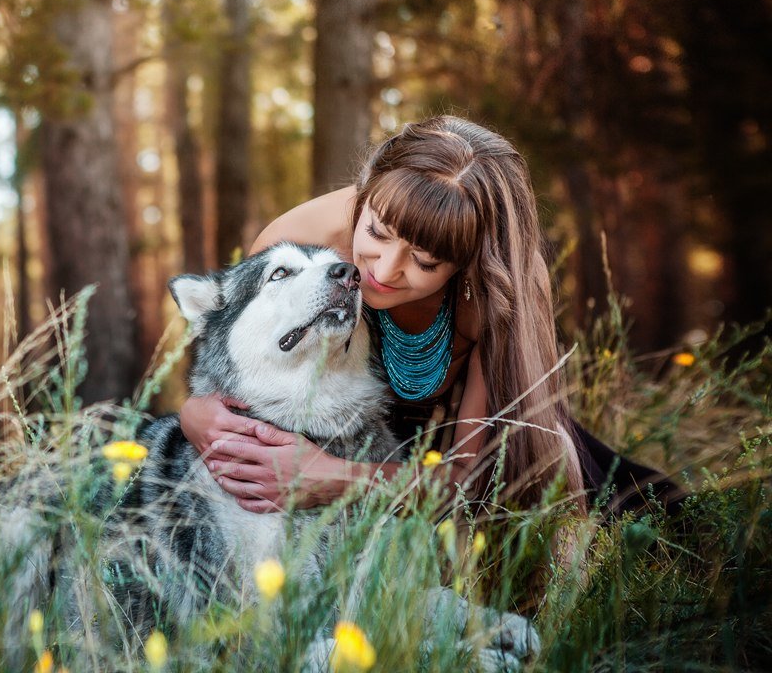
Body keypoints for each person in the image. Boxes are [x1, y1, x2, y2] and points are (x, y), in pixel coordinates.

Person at [180, 115, 677, 516]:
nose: (384, 270)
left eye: (425, 262)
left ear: (468, 263)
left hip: (473, 445)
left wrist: (334, 478)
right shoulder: (298, 241)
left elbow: (469, 477)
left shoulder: (498, 293)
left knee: (654, 512)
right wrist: (193, 414)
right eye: (375, 231)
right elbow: (241, 366)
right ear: (365, 195)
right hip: (337, 432)